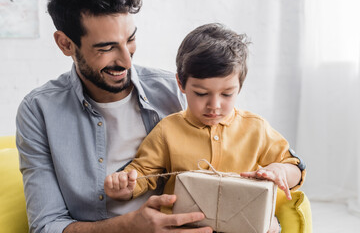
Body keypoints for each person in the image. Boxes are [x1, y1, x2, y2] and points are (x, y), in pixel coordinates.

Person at [15, 0, 213, 232]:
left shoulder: (177, 92)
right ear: (65, 44)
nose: (127, 62)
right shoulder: (39, 111)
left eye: (130, 40)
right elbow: (46, 225)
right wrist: (130, 226)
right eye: (106, 48)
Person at [103, 23, 306, 233]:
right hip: (185, 227)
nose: (214, 105)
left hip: (243, 224)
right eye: (201, 93)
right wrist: (125, 187)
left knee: (272, 226)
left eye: (227, 94)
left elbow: (295, 168)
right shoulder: (168, 130)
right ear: (181, 84)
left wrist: (280, 170)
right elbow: (144, 172)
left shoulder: (256, 128)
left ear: (240, 87)